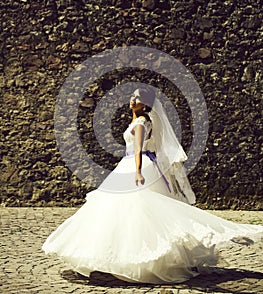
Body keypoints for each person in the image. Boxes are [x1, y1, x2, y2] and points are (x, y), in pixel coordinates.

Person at [42, 87, 263, 284]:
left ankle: (135, 259)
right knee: (124, 209)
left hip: (137, 164)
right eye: (132, 96)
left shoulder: (141, 122)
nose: (132, 99)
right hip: (130, 164)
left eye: (137, 97)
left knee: (138, 208)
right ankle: (117, 258)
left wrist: (137, 171)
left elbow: (138, 149)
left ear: (145, 103)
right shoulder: (137, 120)